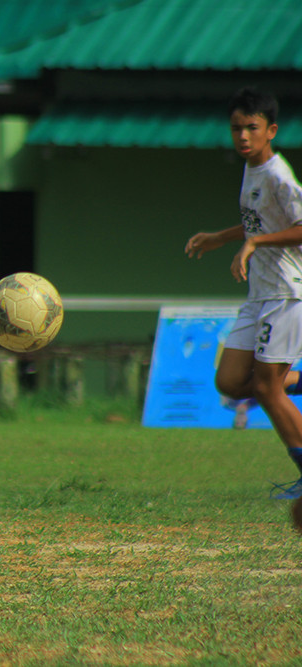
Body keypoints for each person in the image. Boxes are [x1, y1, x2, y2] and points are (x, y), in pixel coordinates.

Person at [185, 87, 302, 499]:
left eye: (252, 128)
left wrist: (253, 245)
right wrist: (222, 237)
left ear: (271, 130)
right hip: (260, 296)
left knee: (268, 389)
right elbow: (261, 222)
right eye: (236, 128)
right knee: (232, 382)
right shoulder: (252, 170)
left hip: (287, 293)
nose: (243, 136)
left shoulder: (277, 175)